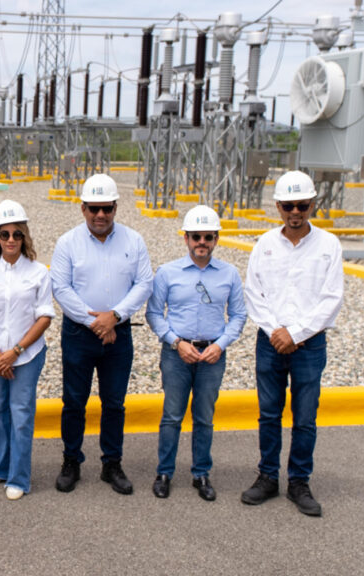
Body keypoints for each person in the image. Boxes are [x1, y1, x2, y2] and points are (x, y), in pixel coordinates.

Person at [241, 171, 344, 517]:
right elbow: (253, 293)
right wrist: (277, 332)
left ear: (313, 204)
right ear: (278, 206)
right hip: (271, 341)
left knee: (304, 418)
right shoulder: (265, 244)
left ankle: (299, 480)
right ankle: (268, 477)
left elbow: (331, 299)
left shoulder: (329, 245)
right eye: (288, 205)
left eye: (302, 205)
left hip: (309, 345)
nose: (295, 212)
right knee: (268, 414)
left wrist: (296, 333)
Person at [50, 173, 153, 495]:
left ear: (115, 208)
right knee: (74, 403)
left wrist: (116, 316)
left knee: (114, 404)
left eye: (106, 209)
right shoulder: (68, 242)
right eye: (94, 208)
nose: (100, 215)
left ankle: (112, 463)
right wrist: (96, 322)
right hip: (80, 335)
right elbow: (60, 287)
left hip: (119, 335)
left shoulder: (133, 241)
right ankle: (71, 461)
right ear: (82, 209)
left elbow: (144, 283)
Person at [145, 206, 247, 501]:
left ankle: (201, 474)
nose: (201, 242)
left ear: (216, 239)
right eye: (195, 237)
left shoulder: (229, 274)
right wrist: (177, 342)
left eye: (208, 237)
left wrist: (220, 344)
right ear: (185, 238)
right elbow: (154, 314)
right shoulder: (167, 272)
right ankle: (164, 472)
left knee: (204, 417)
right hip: (177, 353)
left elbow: (239, 315)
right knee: (172, 416)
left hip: (212, 355)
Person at [0, 200, 54, 501]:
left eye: (17, 234)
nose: (10, 240)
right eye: (4, 234)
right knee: (0, 412)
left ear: (24, 237)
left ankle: (19, 477)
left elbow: (44, 316)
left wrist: (16, 351)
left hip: (27, 356)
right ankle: (2, 467)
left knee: (21, 415)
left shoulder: (38, 273)